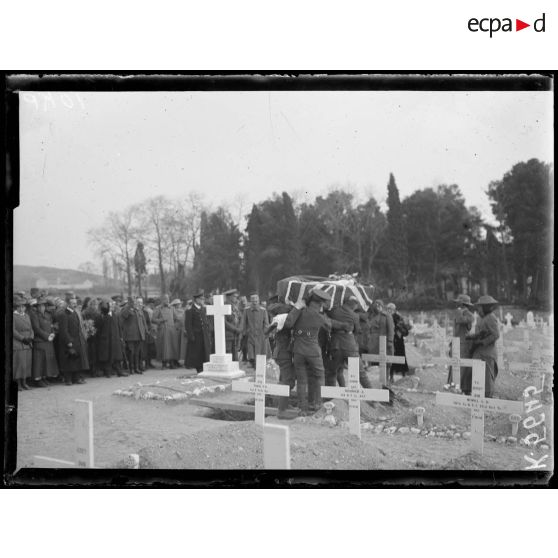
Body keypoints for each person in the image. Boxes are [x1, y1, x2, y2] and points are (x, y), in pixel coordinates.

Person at [284, 289, 342, 415]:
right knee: (319, 377)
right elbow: (330, 325)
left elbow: (288, 323)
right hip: (313, 352)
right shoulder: (320, 316)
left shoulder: (299, 312)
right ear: (320, 303)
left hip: (298, 351)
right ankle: (317, 405)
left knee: (301, 380)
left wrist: (297, 307)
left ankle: (302, 408)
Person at [463, 295, 500, 398]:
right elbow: (480, 333)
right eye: (478, 307)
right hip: (478, 351)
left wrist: (482, 342)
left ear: (487, 307)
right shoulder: (480, 318)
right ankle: (474, 391)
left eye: (480, 307)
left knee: (487, 374)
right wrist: (471, 337)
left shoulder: (491, 318)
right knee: (473, 370)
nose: (478, 309)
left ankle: (487, 396)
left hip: (488, 352)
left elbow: (496, 335)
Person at [266, 295, 296, 419]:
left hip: (282, 353)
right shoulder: (281, 317)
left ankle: (284, 404)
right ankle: (282, 408)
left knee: (285, 379)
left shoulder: (279, 316)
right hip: (283, 353)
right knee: (287, 381)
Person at [326, 295, 361, 388]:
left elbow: (326, 318)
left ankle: (331, 396)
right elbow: (357, 331)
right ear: (353, 305)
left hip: (335, 345)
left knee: (332, 372)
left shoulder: (334, 311)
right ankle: (373, 397)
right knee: (360, 372)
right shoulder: (355, 316)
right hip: (350, 345)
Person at [56, 294, 89, 385]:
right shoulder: (64, 314)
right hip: (68, 341)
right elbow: (63, 330)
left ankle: (76, 378)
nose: (74, 305)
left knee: (76, 360)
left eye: (75, 303)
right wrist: (69, 341)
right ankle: (68, 379)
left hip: (77, 340)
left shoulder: (75, 312)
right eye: (72, 303)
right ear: (67, 303)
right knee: (69, 360)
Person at [29, 296, 59, 385]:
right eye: (39, 306)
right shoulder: (34, 316)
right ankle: (38, 379)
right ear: (37, 307)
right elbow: (36, 329)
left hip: (48, 341)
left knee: (47, 361)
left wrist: (53, 333)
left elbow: (52, 325)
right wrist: (47, 336)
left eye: (43, 306)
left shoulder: (48, 315)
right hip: (40, 341)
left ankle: (45, 377)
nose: (42, 307)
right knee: (39, 361)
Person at [95, 299, 127, 377]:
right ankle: (107, 372)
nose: (113, 306)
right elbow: (98, 329)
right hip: (106, 340)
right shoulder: (101, 316)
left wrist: (121, 337)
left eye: (113, 305)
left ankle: (119, 371)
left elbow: (119, 327)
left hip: (115, 339)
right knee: (107, 356)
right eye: (111, 305)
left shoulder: (115, 315)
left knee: (117, 356)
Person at [368, 299, 395, 385]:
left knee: (387, 363)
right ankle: (383, 381)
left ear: (382, 306)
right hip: (375, 343)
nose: (377, 307)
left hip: (386, 342)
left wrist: (390, 341)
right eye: (376, 305)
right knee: (379, 362)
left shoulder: (387, 316)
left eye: (379, 305)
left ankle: (386, 381)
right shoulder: (372, 316)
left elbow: (391, 329)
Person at [240, 293, 270, 368]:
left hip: (261, 334)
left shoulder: (263, 310)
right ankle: (252, 362)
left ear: (258, 301)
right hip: (250, 334)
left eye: (256, 301)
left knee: (260, 351)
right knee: (251, 351)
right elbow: (243, 322)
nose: (255, 303)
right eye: (253, 301)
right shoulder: (246, 310)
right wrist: (243, 332)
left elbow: (266, 323)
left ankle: (259, 366)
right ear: (250, 301)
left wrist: (266, 333)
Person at [451, 293, 475, 385]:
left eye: (459, 303)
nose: (457, 305)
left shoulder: (468, 314)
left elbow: (461, 320)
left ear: (463, 304)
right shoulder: (459, 312)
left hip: (463, 343)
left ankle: (462, 386)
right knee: (456, 364)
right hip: (456, 341)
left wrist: (460, 311)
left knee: (462, 365)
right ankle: (455, 384)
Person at [184, 291, 210, 372]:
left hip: (203, 334)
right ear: (196, 300)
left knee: (204, 350)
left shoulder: (203, 309)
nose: (203, 301)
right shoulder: (190, 310)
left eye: (203, 299)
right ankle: (198, 367)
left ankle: (204, 365)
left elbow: (206, 322)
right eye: (201, 299)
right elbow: (188, 325)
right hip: (196, 335)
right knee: (197, 352)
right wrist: (191, 336)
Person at [151, 294, 180, 369]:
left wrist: (175, 327)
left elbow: (177, 319)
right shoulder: (158, 309)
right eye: (165, 299)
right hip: (163, 330)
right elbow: (153, 320)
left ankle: (171, 363)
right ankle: (164, 363)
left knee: (172, 346)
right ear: (162, 300)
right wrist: (161, 320)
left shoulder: (172, 308)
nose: (167, 300)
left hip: (171, 330)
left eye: (168, 299)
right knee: (163, 347)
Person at [120, 297, 147, 375]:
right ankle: (131, 368)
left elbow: (142, 321)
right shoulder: (126, 309)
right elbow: (122, 318)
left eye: (135, 302)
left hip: (138, 335)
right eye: (133, 302)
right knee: (131, 352)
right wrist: (129, 307)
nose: (135, 304)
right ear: (129, 303)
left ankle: (136, 368)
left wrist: (145, 331)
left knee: (137, 352)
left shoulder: (138, 310)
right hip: (130, 336)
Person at [13, 295, 34, 390]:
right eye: (20, 306)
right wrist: (22, 338)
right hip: (19, 343)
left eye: (23, 306)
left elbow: (31, 328)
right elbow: (13, 331)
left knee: (26, 364)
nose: (22, 308)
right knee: (19, 364)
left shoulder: (27, 316)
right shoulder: (13, 316)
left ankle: (24, 382)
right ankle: (18, 383)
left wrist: (31, 337)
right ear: (16, 307)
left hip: (27, 342)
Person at [386, 302, 410, 381]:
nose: (389, 311)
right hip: (391, 340)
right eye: (388, 309)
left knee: (401, 357)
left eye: (390, 309)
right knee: (391, 358)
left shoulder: (399, 317)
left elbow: (405, 330)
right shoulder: (386, 317)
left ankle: (404, 375)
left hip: (398, 340)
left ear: (394, 309)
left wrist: (398, 329)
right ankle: (391, 376)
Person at [82, 297, 100, 377]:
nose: (95, 306)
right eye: (94, 304)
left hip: (90, 334)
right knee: (93, 353)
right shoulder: (96, 313)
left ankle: (92, 370)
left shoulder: (85, 312)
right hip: (92, 335)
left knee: (91, 353)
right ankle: (93, 370)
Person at [224, 289, 242, 360]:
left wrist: (240, 328)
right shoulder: (224, 306)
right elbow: (224, 322)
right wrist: (235, 329)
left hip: (236, 334)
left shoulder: (235, 307)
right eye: (234, 296)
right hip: (228, 334)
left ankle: (235, 368)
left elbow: (240, 317)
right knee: (229, 353)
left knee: (235, 353)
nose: (236, 298)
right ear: (229, 297)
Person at [170, 299, 185, 368]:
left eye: (180, 303)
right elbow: (173, 319)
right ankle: (174, 361)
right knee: (174, 345)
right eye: (178, 304)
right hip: (175, 329)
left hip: (181, 329)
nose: (180, 305)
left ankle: (177, 360)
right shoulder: (173, 311)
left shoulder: (182, 310)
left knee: (179, 346)